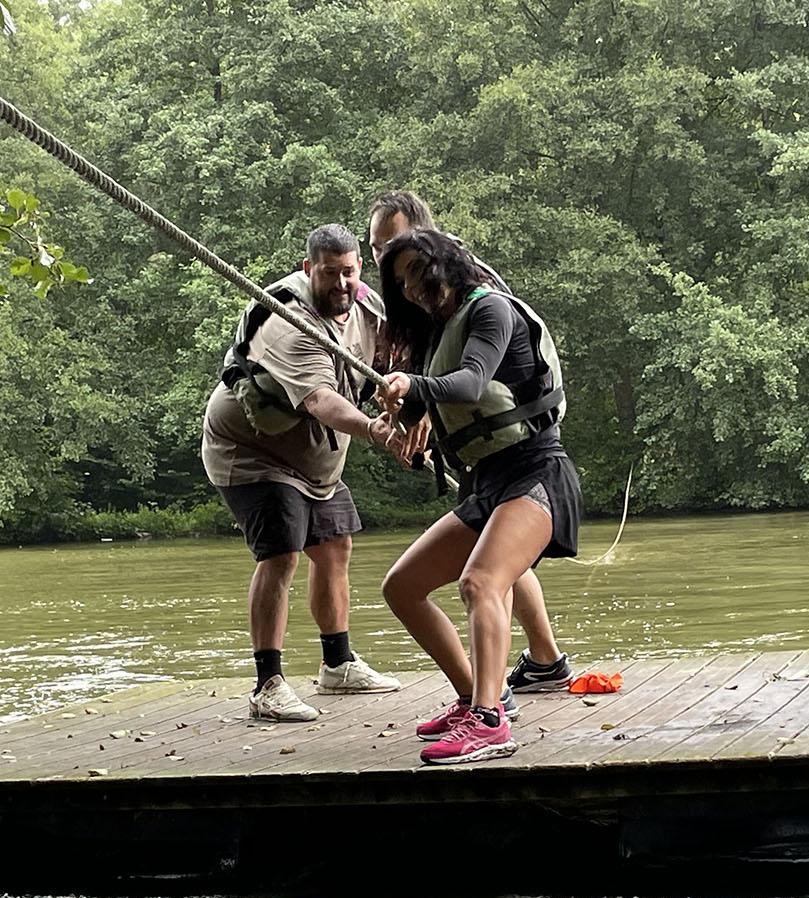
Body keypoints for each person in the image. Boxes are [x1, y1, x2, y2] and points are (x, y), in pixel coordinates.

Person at [376, 229, 583, 764]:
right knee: (402, 587)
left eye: (417, 271)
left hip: (536, 473)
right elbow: (436, 400)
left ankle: (490, 723)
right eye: (401, 282)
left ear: (445, 261)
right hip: (487, 483)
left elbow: (470, 384)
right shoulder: (437, 332)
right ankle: (474, 698)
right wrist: (401, 412)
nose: (412, 287)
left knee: (481, 581)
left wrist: (413, 386)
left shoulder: (490, 309)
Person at [202, 223, 402, 722]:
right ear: (309, 268)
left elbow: (393, 359)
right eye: (329, 273)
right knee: (282, 555)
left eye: (349, 272)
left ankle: (337, 666)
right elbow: (320, 401)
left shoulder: (369, 307)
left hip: (315, 462)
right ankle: (267, 685)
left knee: (334, 546)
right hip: (251, 454)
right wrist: (374, 430)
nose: (341, 284)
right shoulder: (290, 322)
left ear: (360, 267)